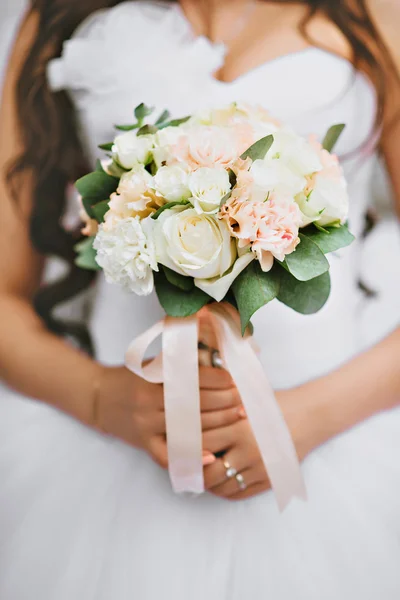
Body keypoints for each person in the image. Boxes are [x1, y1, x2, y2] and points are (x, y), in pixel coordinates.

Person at [1, 1, 400, 598]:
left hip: (342, 430)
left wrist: (307, 418)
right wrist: (103, 399)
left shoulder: (378, 14)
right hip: (111, 448)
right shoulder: (57, 15)